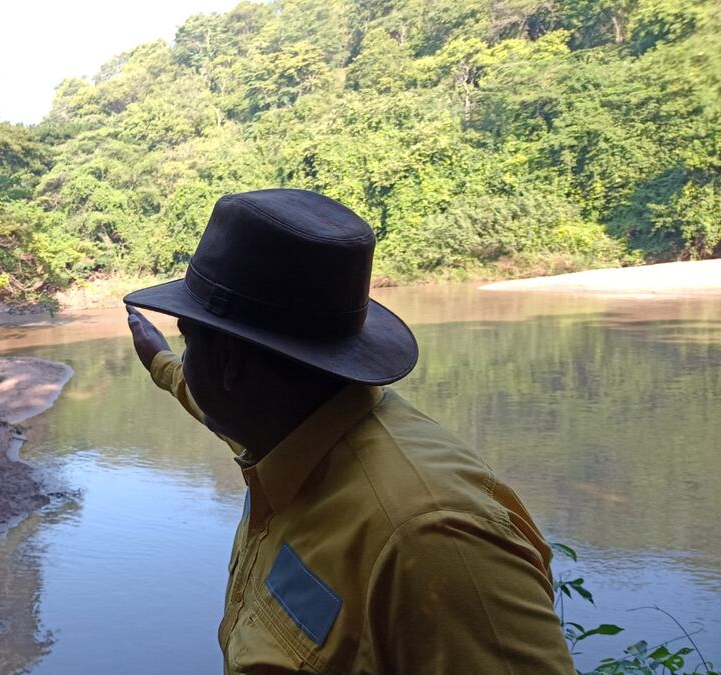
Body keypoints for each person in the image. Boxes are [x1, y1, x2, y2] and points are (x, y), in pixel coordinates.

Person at [124, 189, 574, 674]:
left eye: (189, 343)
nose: (186, 361)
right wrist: (162, 362)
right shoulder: (291, 435)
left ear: (231, 365)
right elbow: (213, 407)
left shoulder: (432, 540)